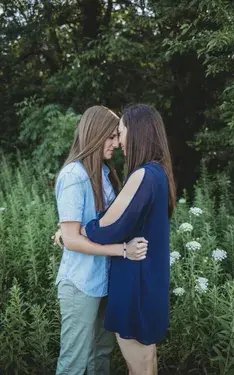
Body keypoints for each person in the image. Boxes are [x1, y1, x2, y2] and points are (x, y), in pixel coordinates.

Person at [80, 104, 176, 375]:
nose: (119, 141)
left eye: (120, 132)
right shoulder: (159, 173)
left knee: (140, 367)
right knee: (147, 362)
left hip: (136, 284)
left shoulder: (143, 175)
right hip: (151, 282)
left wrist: (80, 230)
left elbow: (108, 228)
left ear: (136, 132)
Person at [54, 105, 148, 375]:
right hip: (81, 284)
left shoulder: (105, 175)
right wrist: (122, 251)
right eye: (111, 137)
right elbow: (72, 239)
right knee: (75, 363)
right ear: (95, 135)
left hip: (104, 281)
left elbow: (98, 227)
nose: (117, 143)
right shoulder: (74, 176)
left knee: (101, 356)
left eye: (117, 136)